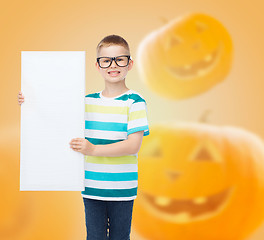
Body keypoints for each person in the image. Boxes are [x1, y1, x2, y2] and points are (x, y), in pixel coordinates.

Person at [18, 34, 150, 240]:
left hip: (122, 189)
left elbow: (133, 146)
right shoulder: (86, 101)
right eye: (106, 60)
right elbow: (55, 113)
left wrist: (94, 149)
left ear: (129, 64)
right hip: (91, 187)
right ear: (97, 66)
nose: (112, 65)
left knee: (120, 237)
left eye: (120, 59)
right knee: (94, 237)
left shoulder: (135, 102)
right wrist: (29, 101)